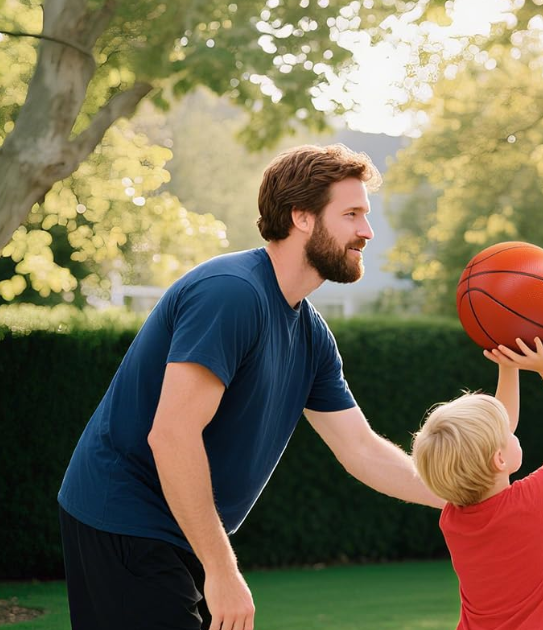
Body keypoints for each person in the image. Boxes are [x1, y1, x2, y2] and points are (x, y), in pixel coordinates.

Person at [57, 144, 444, 630]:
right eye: (351, 214)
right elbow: (172, 435)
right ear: (301, 216)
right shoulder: (231, 293)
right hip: (123, 518)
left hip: (183, 530)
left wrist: (463, 497)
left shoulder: (311, 334)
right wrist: (222, 570)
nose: (366, 231)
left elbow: (360, 448)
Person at [412, 337, 543, 630]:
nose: (511, 430)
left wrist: (508, 367)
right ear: (499, 459)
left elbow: (498, 429)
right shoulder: (531, 503)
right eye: (507, 433)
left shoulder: (453, 521)